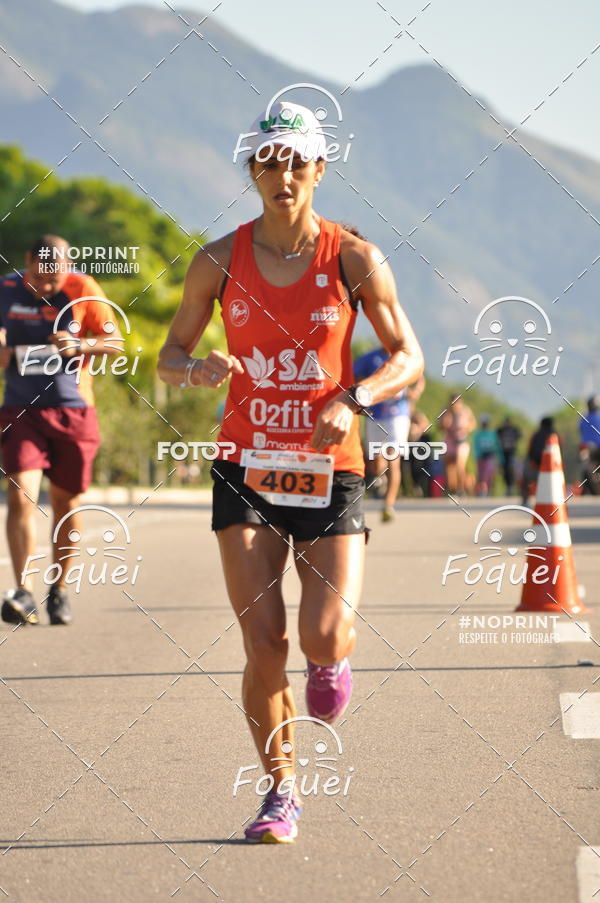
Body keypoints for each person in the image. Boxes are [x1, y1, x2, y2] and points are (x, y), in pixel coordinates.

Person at [157, 100, 424, 843]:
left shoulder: (354, 258)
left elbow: (409, 357)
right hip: (245, 464)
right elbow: (168, 356)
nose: (284, 175)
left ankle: (332, 662)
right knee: (264, 640)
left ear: (319, 169)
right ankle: (281, 792)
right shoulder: (217, 260)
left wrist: (354, 397)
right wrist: (195, 369)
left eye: (298, 162)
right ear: (252, 169)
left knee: (324, 635)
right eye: (270, 162)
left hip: (329, 468)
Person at [0, 235, 120, 626]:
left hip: (73, 410)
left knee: (66, 504)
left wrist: (79, 345)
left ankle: (60, 589)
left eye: (55, 279)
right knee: (20, 494)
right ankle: (23, 592)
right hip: (21, 409)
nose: (46, 287)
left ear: (68, 268)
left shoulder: (83, 288)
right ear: (27, 263)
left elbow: (115, 342)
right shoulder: (6, 288)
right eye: (39, 278)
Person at [354, 347, 423, 521]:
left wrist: (415, 392)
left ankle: (388, 505)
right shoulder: (370, 358)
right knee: (376, 463)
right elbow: (353, 374)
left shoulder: (404, 355)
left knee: (393, 459)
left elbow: (419, 374)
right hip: (375, 415)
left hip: (397, 416)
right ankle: (381, 479)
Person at [440, 394, 476, 495]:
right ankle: (452, 488)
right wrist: (445, 423)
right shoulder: (446, 412)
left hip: (461, 440)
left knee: (460, 465)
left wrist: (465, 429)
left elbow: (473, 424)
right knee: (449, 466)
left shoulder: (465, 411)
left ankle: (461, 487)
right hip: (449, 440)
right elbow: (440, 426)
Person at [521, 416, 558, 505]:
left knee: (525, 479)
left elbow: (529, 451)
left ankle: (525, 500)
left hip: (535, 465)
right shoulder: (555, 436)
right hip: (551, 467)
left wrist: (532, 463)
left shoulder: (535, 435)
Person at [473, 414, 503, 496]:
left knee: (489, 474)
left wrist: (500, 459)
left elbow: (497, 447)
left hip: (490, 457)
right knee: (481, 475)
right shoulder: (478, 434)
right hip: (481, 457)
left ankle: (488, 490)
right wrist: (477, 456)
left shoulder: (492, 434)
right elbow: (475, 447)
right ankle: (481, 491)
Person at [578, 396, 600, 494]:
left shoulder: (583, 419)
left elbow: (581, 431)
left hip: (586, 447)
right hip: (597, 447)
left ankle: (584, 489)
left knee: (585, 466)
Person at [496, 415, 521, 494]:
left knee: (512, 469)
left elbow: (519, 436)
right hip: (503, 453)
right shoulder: (501, 430)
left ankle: (512, 487)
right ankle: (507, 487)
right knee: (505, 470)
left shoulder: (514, 430)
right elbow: (496, 435)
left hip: (512, 453)